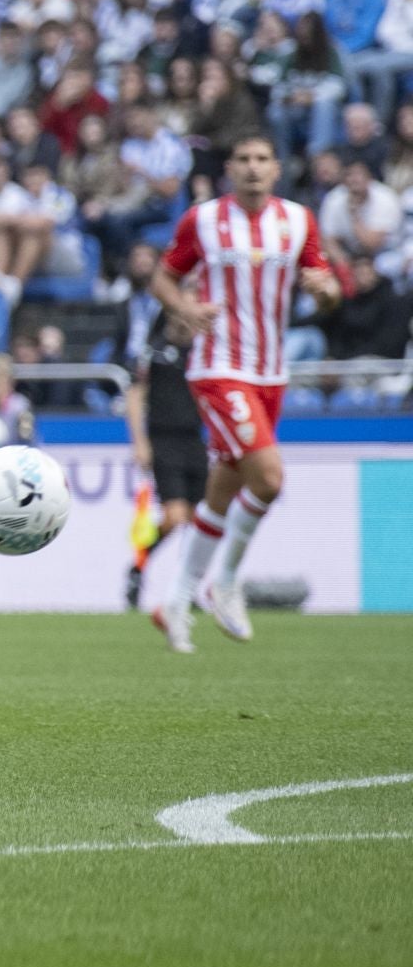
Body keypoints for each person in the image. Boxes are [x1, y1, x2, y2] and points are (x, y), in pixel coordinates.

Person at [147, 134, 343, 653]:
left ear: (277, 168)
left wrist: (326, 293)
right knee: (270, 478)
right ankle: (225, 581)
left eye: (262, 159)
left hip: (271, 373)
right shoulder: (203, 220)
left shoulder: (299, 221)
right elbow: (163, 278)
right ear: (230, 168)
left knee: (223, 489)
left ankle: (176, 599)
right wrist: (184, 309)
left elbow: (324, 285)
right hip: (219, 367)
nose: (253, 168)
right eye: (243, 159)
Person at [123, 312, 207, 610]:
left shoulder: (201, 352)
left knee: (199, 521)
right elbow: (135, 397)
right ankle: (137, 569)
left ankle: (187, 587)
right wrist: (140, 442)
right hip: (164, 441)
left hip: (195, 440)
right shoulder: (153, 352)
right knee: (173, 518)